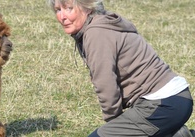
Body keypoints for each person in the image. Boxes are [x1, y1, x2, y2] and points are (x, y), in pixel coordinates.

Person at [47, 0, 194, 136]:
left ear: (87, 7)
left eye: (69, 8)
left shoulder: (96, 33)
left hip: (163, 103)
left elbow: (105, 83)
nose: (62, 16)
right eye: (58, 10)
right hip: (175, 100)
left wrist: (114, 124)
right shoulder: (101, 23)